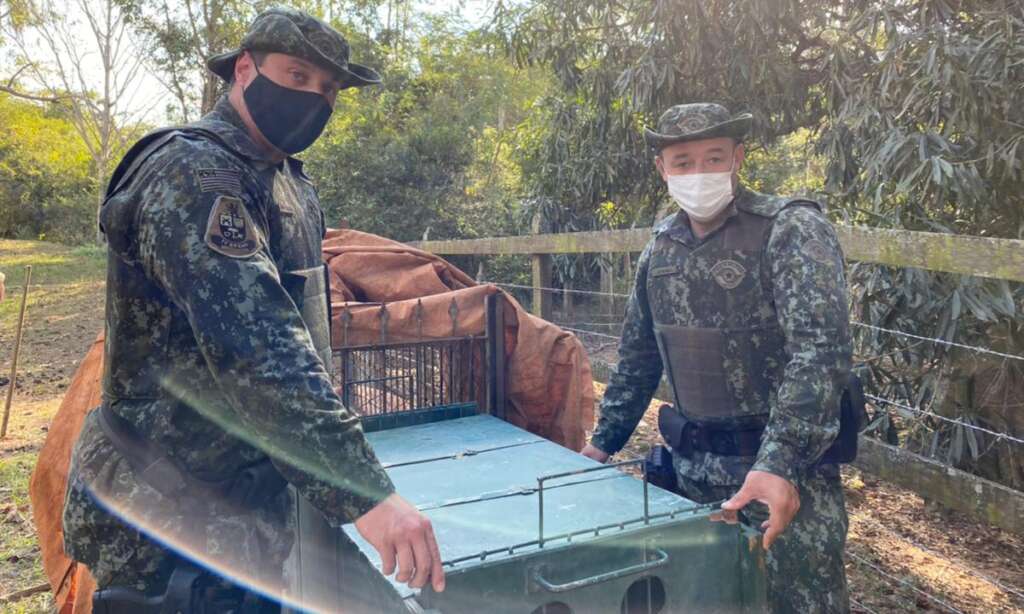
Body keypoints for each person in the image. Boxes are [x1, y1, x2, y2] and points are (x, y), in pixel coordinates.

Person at [62, 8, 443, 613]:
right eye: (297, 77)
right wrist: (365, 493)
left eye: (328, 90)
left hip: (246, 512)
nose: (314, 100)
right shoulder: (193, 174)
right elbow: (260, 350)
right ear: (244, 69)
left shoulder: (288, 183)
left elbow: (303, 334)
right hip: (168, 522)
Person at [581, 103, 853, 612]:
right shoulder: (661, 248)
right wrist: (602, 444)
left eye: (714, 157)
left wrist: (780, 463)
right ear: (662, 169)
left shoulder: (789, 228)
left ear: (738, 158)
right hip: (690, 479)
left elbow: (820, 354)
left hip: (783, 485)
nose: (699, 173)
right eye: (683, 162)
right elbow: (639, 356)